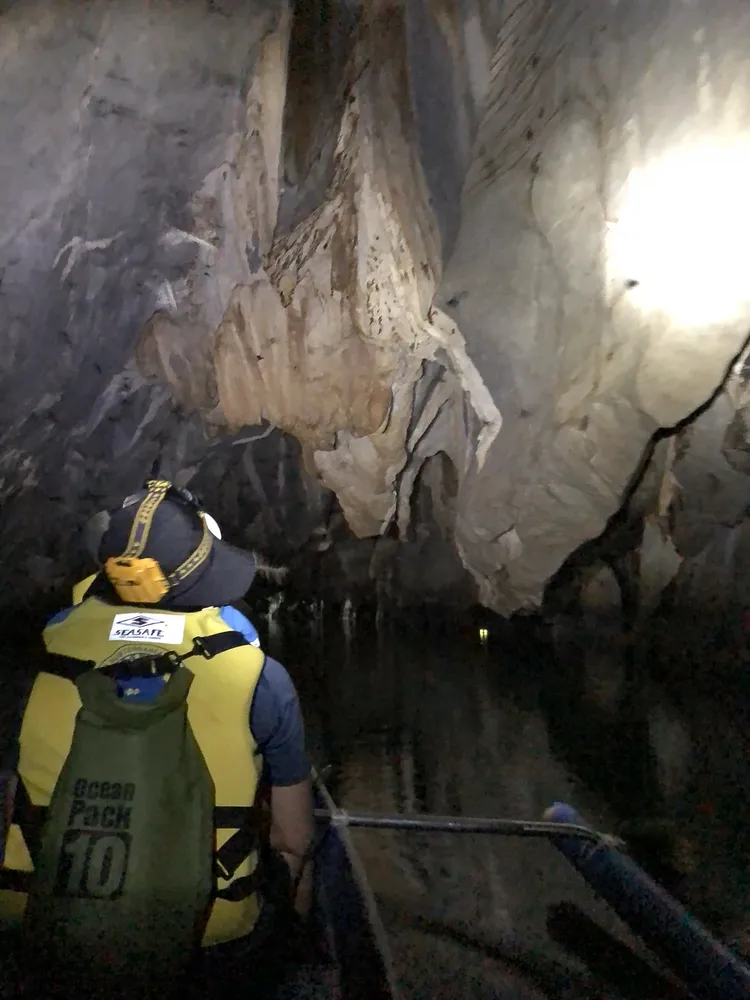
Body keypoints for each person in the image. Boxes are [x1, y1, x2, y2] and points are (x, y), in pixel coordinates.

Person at [0, 479, 315, 991]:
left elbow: (19, 794)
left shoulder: (45, 660)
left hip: (45, 922)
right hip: (209, 945)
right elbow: (293, 837)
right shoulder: (259, 678)